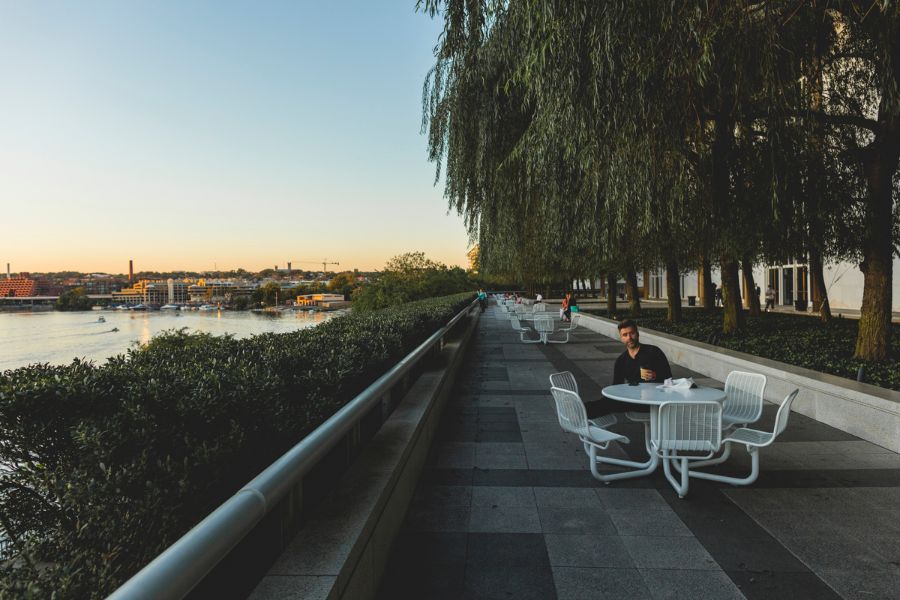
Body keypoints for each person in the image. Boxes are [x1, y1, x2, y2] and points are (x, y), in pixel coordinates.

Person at [612, 319, 672, 385]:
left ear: (637, 334)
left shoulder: (654, 352)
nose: (629, 338)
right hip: (632, 394)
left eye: (632, 333)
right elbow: (616, 385)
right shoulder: (621, 361)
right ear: (621, 338)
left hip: (655, 393)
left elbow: (669, 377)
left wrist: (655, 375)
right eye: (625, 335)